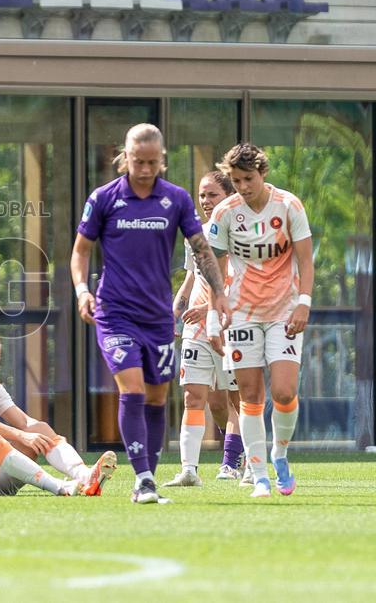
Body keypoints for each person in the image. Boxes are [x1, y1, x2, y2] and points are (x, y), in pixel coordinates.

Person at [71, 123, 230, 505]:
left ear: (162, 161)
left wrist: (220, 293)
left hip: (157, 315)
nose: (144, 169)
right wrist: (81, 291)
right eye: (137, 161)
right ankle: (141, 477)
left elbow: (202, 249)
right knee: (133, 389)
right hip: (115, 312)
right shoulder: (105, 198)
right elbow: (80, 250)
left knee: (158, 397)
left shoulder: (175, 200)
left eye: (151, 162)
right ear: (125, 158)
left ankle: (149, 477)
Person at [208, 143, 313, 498]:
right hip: (241, 314)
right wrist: (213, 313)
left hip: (284, 311)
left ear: (263, 174)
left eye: (248, 178)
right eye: (236, 180)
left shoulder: (288, 205)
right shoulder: (224, 213)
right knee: (250, 395)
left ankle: (279, 453)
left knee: (284, 392)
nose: (242, 186)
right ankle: (259, 475)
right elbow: (215, 268)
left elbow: (306, 261)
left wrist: (304, 303)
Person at [0, 326, 118, 497]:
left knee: (39, 429)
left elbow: (25, 423)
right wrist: (21, 436)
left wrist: (40, 436)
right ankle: (59, 487)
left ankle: (85, 476)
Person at [163, 171, 244, 487]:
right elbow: (193, 276)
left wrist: (211, 308)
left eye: (213, 195)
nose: (206, 201)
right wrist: (177, 306)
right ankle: (189, 470)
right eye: (202, 195)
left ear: (228, 195)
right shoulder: (193, 232)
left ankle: (233, 463)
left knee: (237, 400)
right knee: (197, 398)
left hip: (231, 323)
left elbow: (237, 280)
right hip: (195, 327)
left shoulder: (242, 231)